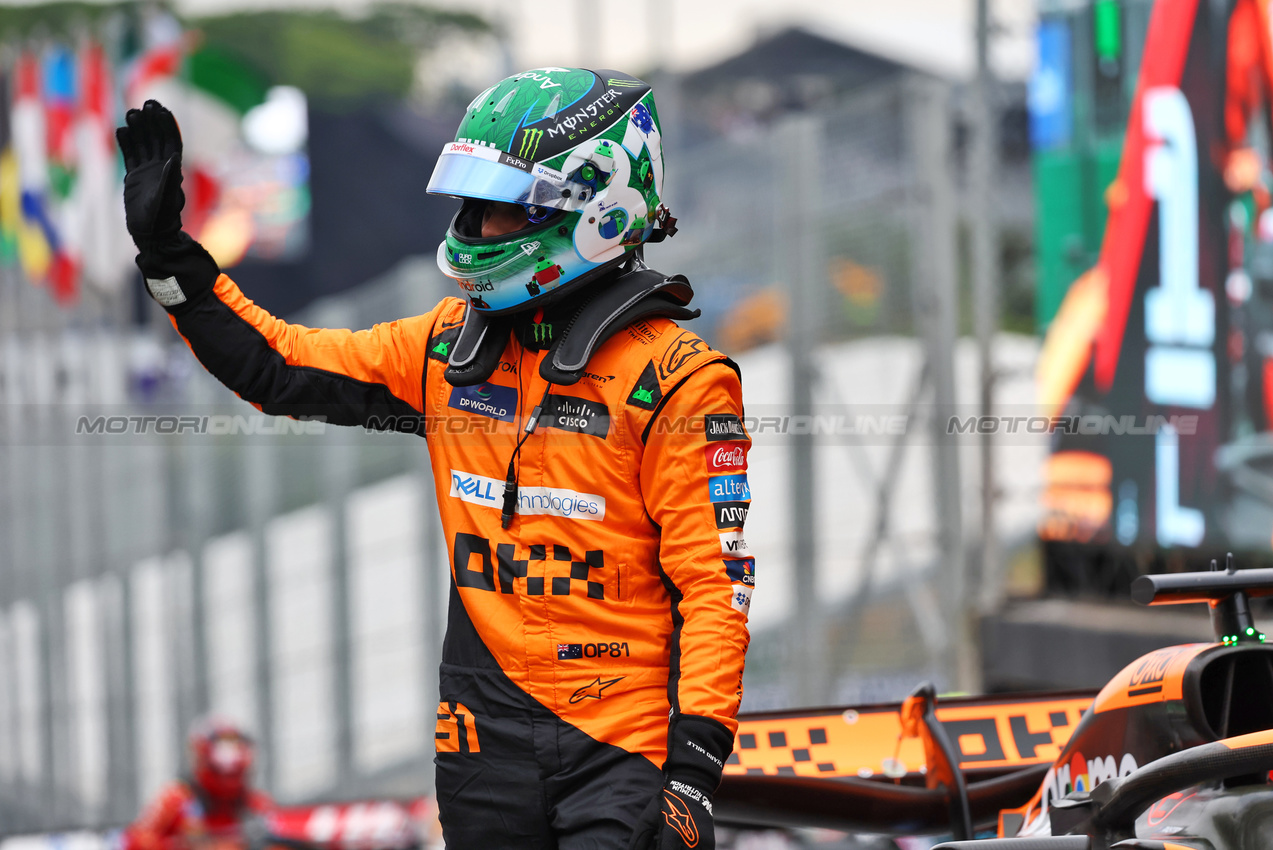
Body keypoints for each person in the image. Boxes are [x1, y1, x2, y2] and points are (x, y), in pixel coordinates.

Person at [116, 66, 754, 849]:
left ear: (597, 212)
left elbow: (715, 591)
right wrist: (168, 256)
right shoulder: (447, 350)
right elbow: (278, 368)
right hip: (479, 746)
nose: (474, 229)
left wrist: (692, 779)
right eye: (470, 205)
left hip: (621, 746)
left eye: (499, 210)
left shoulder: (680, 380)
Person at [122, 718, 272, 850]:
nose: (230, 758)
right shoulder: (176, 800)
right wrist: (179, 845)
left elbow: (282, 837)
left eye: (235, 746)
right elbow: (133, 841)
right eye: (224, 749)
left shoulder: (256, 805)